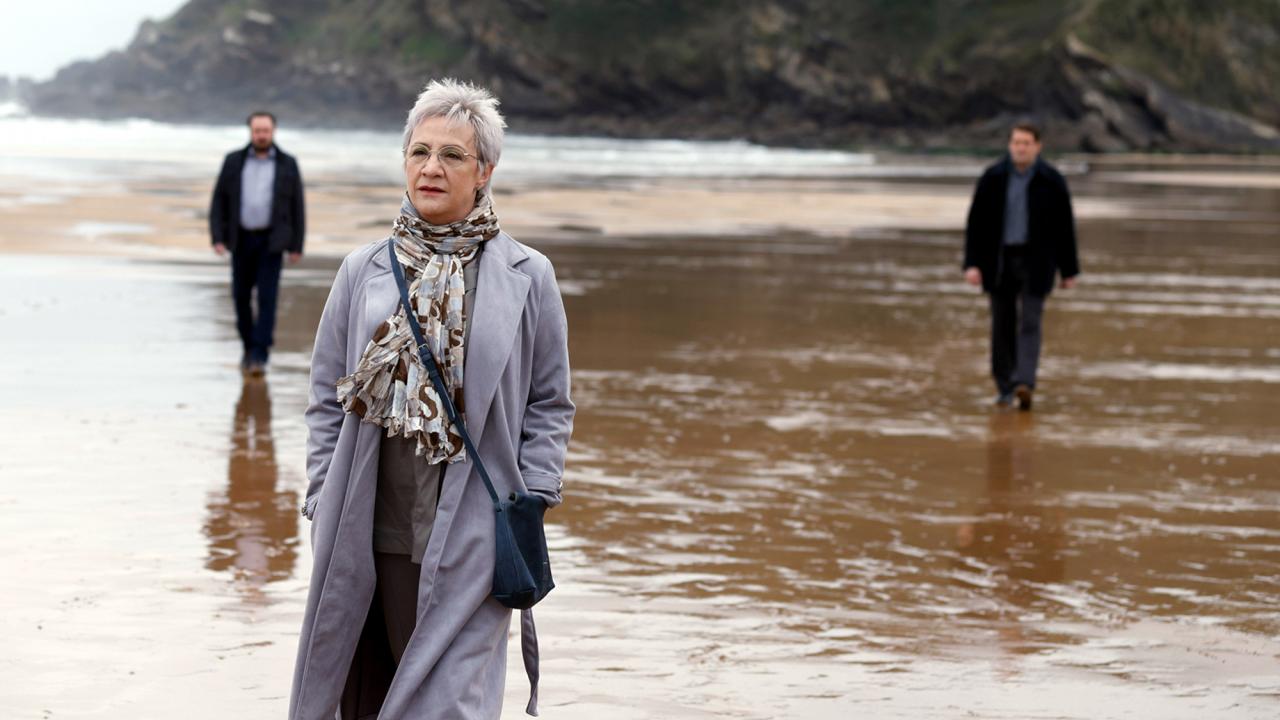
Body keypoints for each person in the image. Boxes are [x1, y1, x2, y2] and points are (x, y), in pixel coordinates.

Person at [289, 79, 574, 720]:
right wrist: (319, 492)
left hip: (480, 523)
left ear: (485, 172)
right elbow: (326, 396)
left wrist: (535, 492)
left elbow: (551, 401)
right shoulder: (363, 269)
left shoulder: (528, 276)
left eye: (452, 155)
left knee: (453, 701)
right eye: (419, 152)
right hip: (373, 522)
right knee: (374, 685)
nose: (431, 168)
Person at [963, 122, 1080, 411]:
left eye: (1026, 143)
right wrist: (971, 264)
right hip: (998, 260)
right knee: (1001, 324)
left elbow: (1065, 227)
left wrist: (1069, 269)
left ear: (1037, 146)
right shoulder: (993, 177)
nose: (1020, 147)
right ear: (1009, 145)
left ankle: (1024, 382)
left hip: (1037, 261)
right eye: (1016, 142)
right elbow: (975, 224)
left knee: (1030, 322)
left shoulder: (1052, 180)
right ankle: (1005, 387)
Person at [209, 111, 306, 376]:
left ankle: (260, 354)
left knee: (267, 298)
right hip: (240, 239)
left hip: (271, 241)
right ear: (250, 132)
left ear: (273, 131)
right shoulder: (233, 161)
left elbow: (298, 205)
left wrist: (297, 244)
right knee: (240, 297)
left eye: (265, 130)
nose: (261, 135)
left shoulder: (288, 163)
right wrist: (217, 237)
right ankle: (248, 347)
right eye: (257, 131)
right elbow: (219, 200)